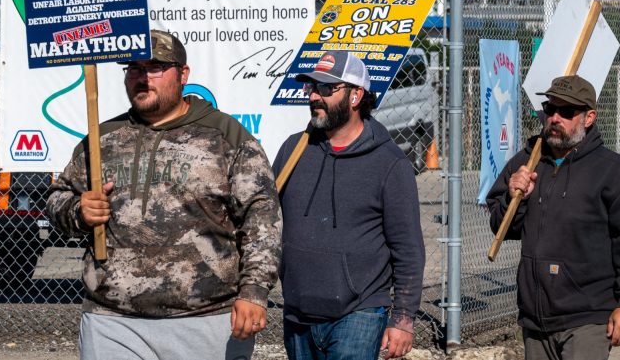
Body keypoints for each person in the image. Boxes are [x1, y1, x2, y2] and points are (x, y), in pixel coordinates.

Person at [46, 29, 282, 360]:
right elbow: (59, 199)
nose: (142, 78)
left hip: (206, 319)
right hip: (113, 320)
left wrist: (254, 291)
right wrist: (78, 211)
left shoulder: (225, 136)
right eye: (134, 68)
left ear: (183, 74)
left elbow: (262, 219)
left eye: (155, 67)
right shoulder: (103, 140)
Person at [486, 75, 620, 360]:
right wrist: (516, 196)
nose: (555, 118)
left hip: (587, 315)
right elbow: (502, 227)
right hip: (535, 317)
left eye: (566, 112)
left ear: (588, 118)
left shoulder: (611, 171)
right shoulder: (526, 162)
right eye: (550, 110)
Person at [273, 50, 425, 360]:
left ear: (356, 96)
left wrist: (403, 320)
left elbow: (408, 249)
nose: (315, 96)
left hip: (359, 312)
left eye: (326, 88)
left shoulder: (389, 163)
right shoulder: (293, 150)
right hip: (298, 310)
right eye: (311, 87)